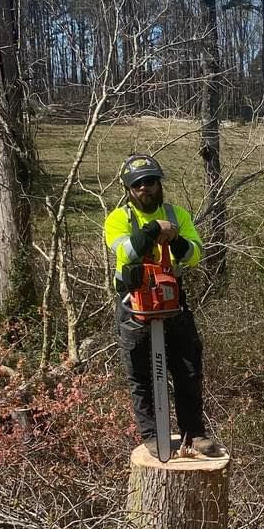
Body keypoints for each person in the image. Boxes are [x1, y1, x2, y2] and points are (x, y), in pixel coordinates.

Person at [105, 153, 218, 458]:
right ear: (129, 189)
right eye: (138, 184)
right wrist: (153, 230)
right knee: (141, 374)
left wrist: (175, 239)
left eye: (150, 182)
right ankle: (153, 435)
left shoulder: (177, 215)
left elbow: (194, 255)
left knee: (188, 369)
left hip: (172, 301)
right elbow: (126, 253)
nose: (146, 188)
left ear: (159, 183)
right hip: (134, 304)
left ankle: (194, 433)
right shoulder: (119, 219)